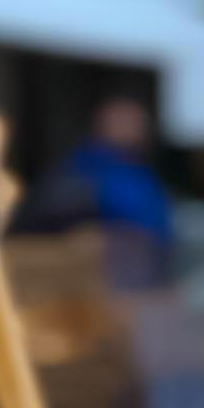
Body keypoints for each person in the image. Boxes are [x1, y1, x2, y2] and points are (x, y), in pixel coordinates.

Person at [40, 97, 174, 290]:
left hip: (150, 261)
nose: (138, 128)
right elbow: (61, 220)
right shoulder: (85, 166)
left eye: (140, 122)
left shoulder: (136, 164)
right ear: (104, 124)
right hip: (114, 265)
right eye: (127, 121)